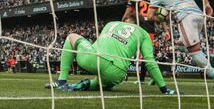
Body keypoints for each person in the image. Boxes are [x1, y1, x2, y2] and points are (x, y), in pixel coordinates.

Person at [45, 15, 176, 94]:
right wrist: (164, 89)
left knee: (71, 36)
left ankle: (62, 82)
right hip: (118, 74)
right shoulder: (143, 34)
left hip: (94, 59)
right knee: (104, 84)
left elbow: (97, 45)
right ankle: (86, 84)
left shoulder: (111, 23)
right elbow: (149, 61)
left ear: (125, 19)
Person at [147, 0, 214, 89]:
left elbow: (149, 16)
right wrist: (207, 3)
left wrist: (164, 18)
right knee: (182, 44)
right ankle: (188, 46)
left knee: (194, 52)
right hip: (199, 16)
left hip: (185, 17)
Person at [121, 0, 169, 85]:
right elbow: (161, 17)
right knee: (146, 54)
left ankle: (125, 74)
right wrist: (165, 30)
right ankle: (146, 78)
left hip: (137, 28)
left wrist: (121, 23)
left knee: (127, 49)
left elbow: (127, 13)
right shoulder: (152, 0)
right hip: (150, 29)